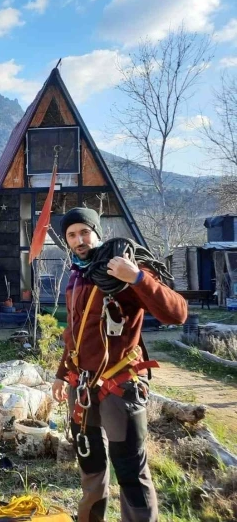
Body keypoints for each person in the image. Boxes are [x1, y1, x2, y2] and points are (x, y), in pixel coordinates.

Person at [51, 207, 187, 522]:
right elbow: (75, 333)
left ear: (97, 233)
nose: (79, 240)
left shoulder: (125, 268)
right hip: (81, 387)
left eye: (85, 232)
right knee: (90, 466)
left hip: (119, 386)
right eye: (72, 235)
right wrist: (61, 374)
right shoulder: (78, 275)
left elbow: (177, 314)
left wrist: (137, 278)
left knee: (130, 471)